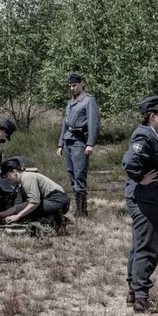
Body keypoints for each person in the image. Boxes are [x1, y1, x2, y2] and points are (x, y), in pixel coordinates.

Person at [122, 95, 158, 314]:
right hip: (143, 197)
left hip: (144, 197)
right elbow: (130, 161)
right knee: (147, 246)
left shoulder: (149, 134)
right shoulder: (144, 135)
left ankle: (134, 293)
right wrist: (140, 177)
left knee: (139, 243)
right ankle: (142, 299)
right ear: (152, 116)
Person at [56, 72, 101, 217]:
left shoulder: (88, 101)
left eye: (74, 85)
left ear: (81, 84)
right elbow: (65, 124)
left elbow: (94, 123)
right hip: (69, 141)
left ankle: (82, 211)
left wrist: (90, 144)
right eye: (70, 86)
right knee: (72, 175)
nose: (72, 88)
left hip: (80, 141)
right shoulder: (70, 102)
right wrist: (60, 144)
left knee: (80, 175)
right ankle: (78, 208)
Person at [0, 158, 70, 226]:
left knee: (27, 210)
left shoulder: (26, 177)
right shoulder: (22, 179)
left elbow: (34, 203)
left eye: (7, 175)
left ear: (14, 172)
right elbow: (19, 206)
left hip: (58, 200)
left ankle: (57, 221)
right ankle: (58, 220)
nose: (6, 178)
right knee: (23, 208)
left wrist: (18, 216)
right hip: (54, 200)